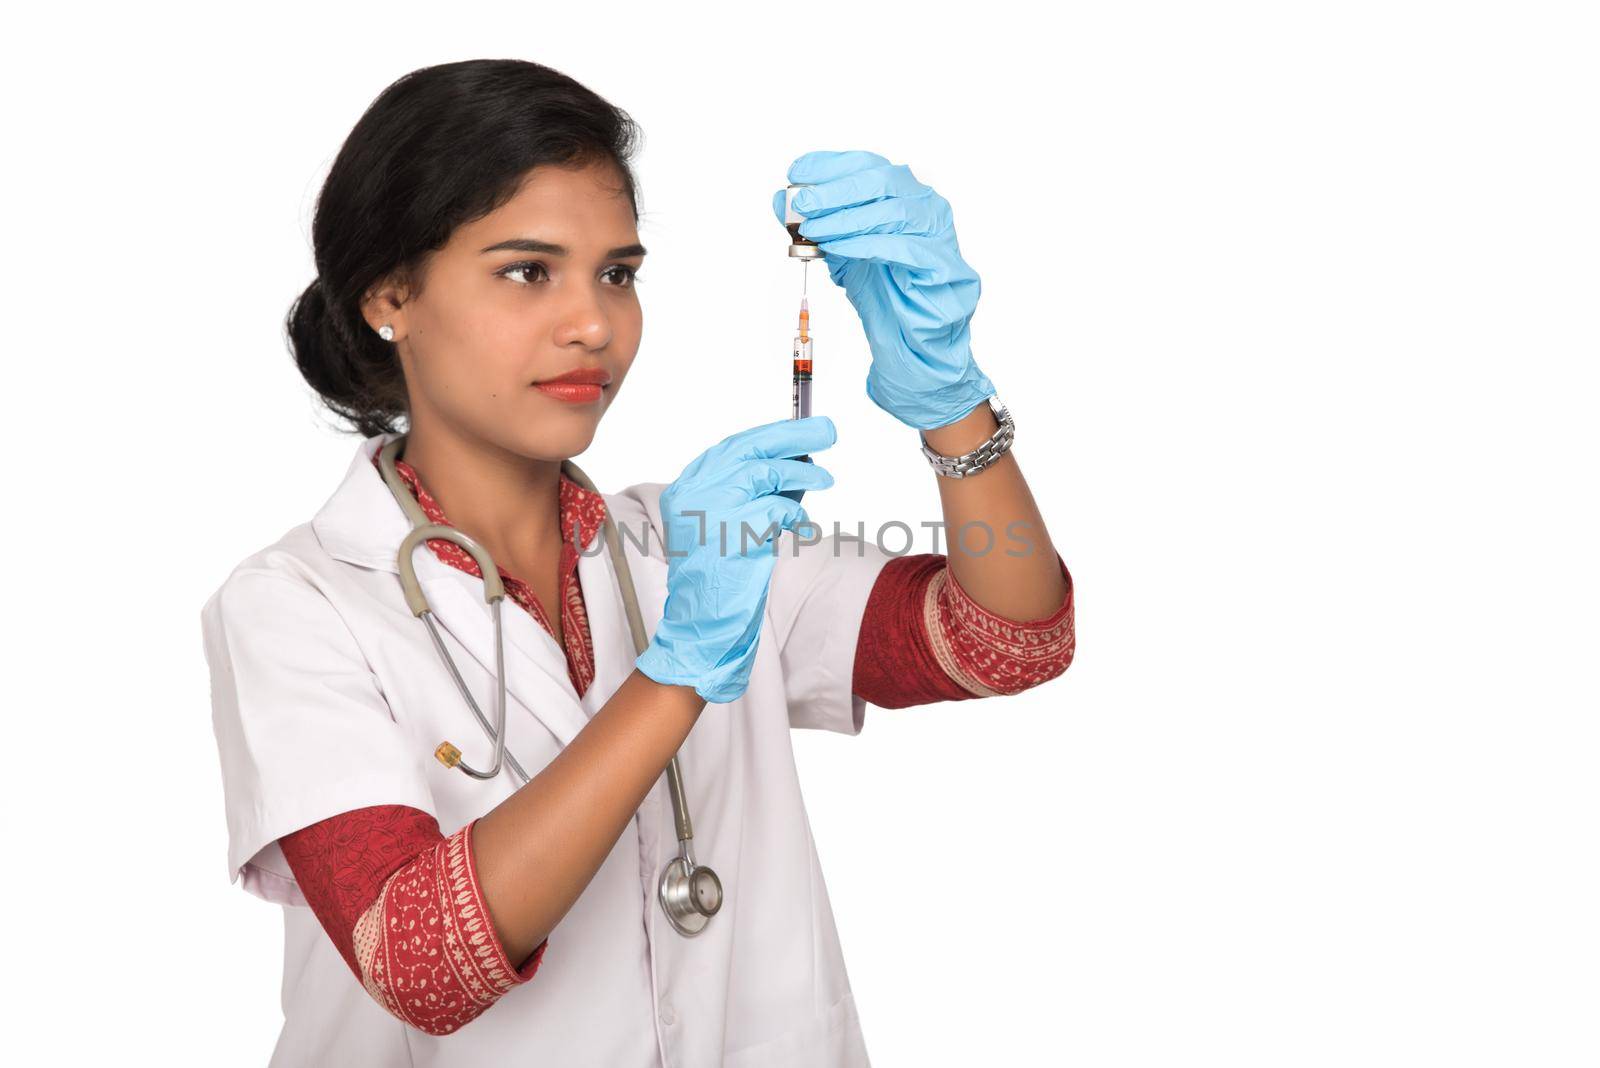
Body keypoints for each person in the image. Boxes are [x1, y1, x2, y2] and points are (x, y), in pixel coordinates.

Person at [200, 58, 1075, 1068]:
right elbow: (416, 962)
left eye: (617, 273)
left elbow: (1009, 642)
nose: (593, 324)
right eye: (528, 270)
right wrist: (677, 670)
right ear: (389, 294)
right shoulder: (297, 601)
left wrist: (949, 405)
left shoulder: (692, 544)